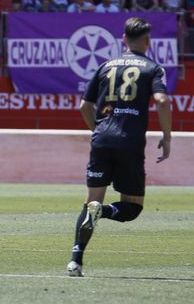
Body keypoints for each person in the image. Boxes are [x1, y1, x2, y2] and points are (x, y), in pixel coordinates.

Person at [68, 17, 172, 277]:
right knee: (132, 207)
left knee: (90, 201)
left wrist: (97, 131)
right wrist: (167, 136)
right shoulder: (153, 68)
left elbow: (84, 106)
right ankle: (102, 212)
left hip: (101, 139)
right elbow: (162, 101)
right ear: (147, 41)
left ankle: (75, 261)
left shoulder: (105, 66)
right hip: (130, 141)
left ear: (123, 39)